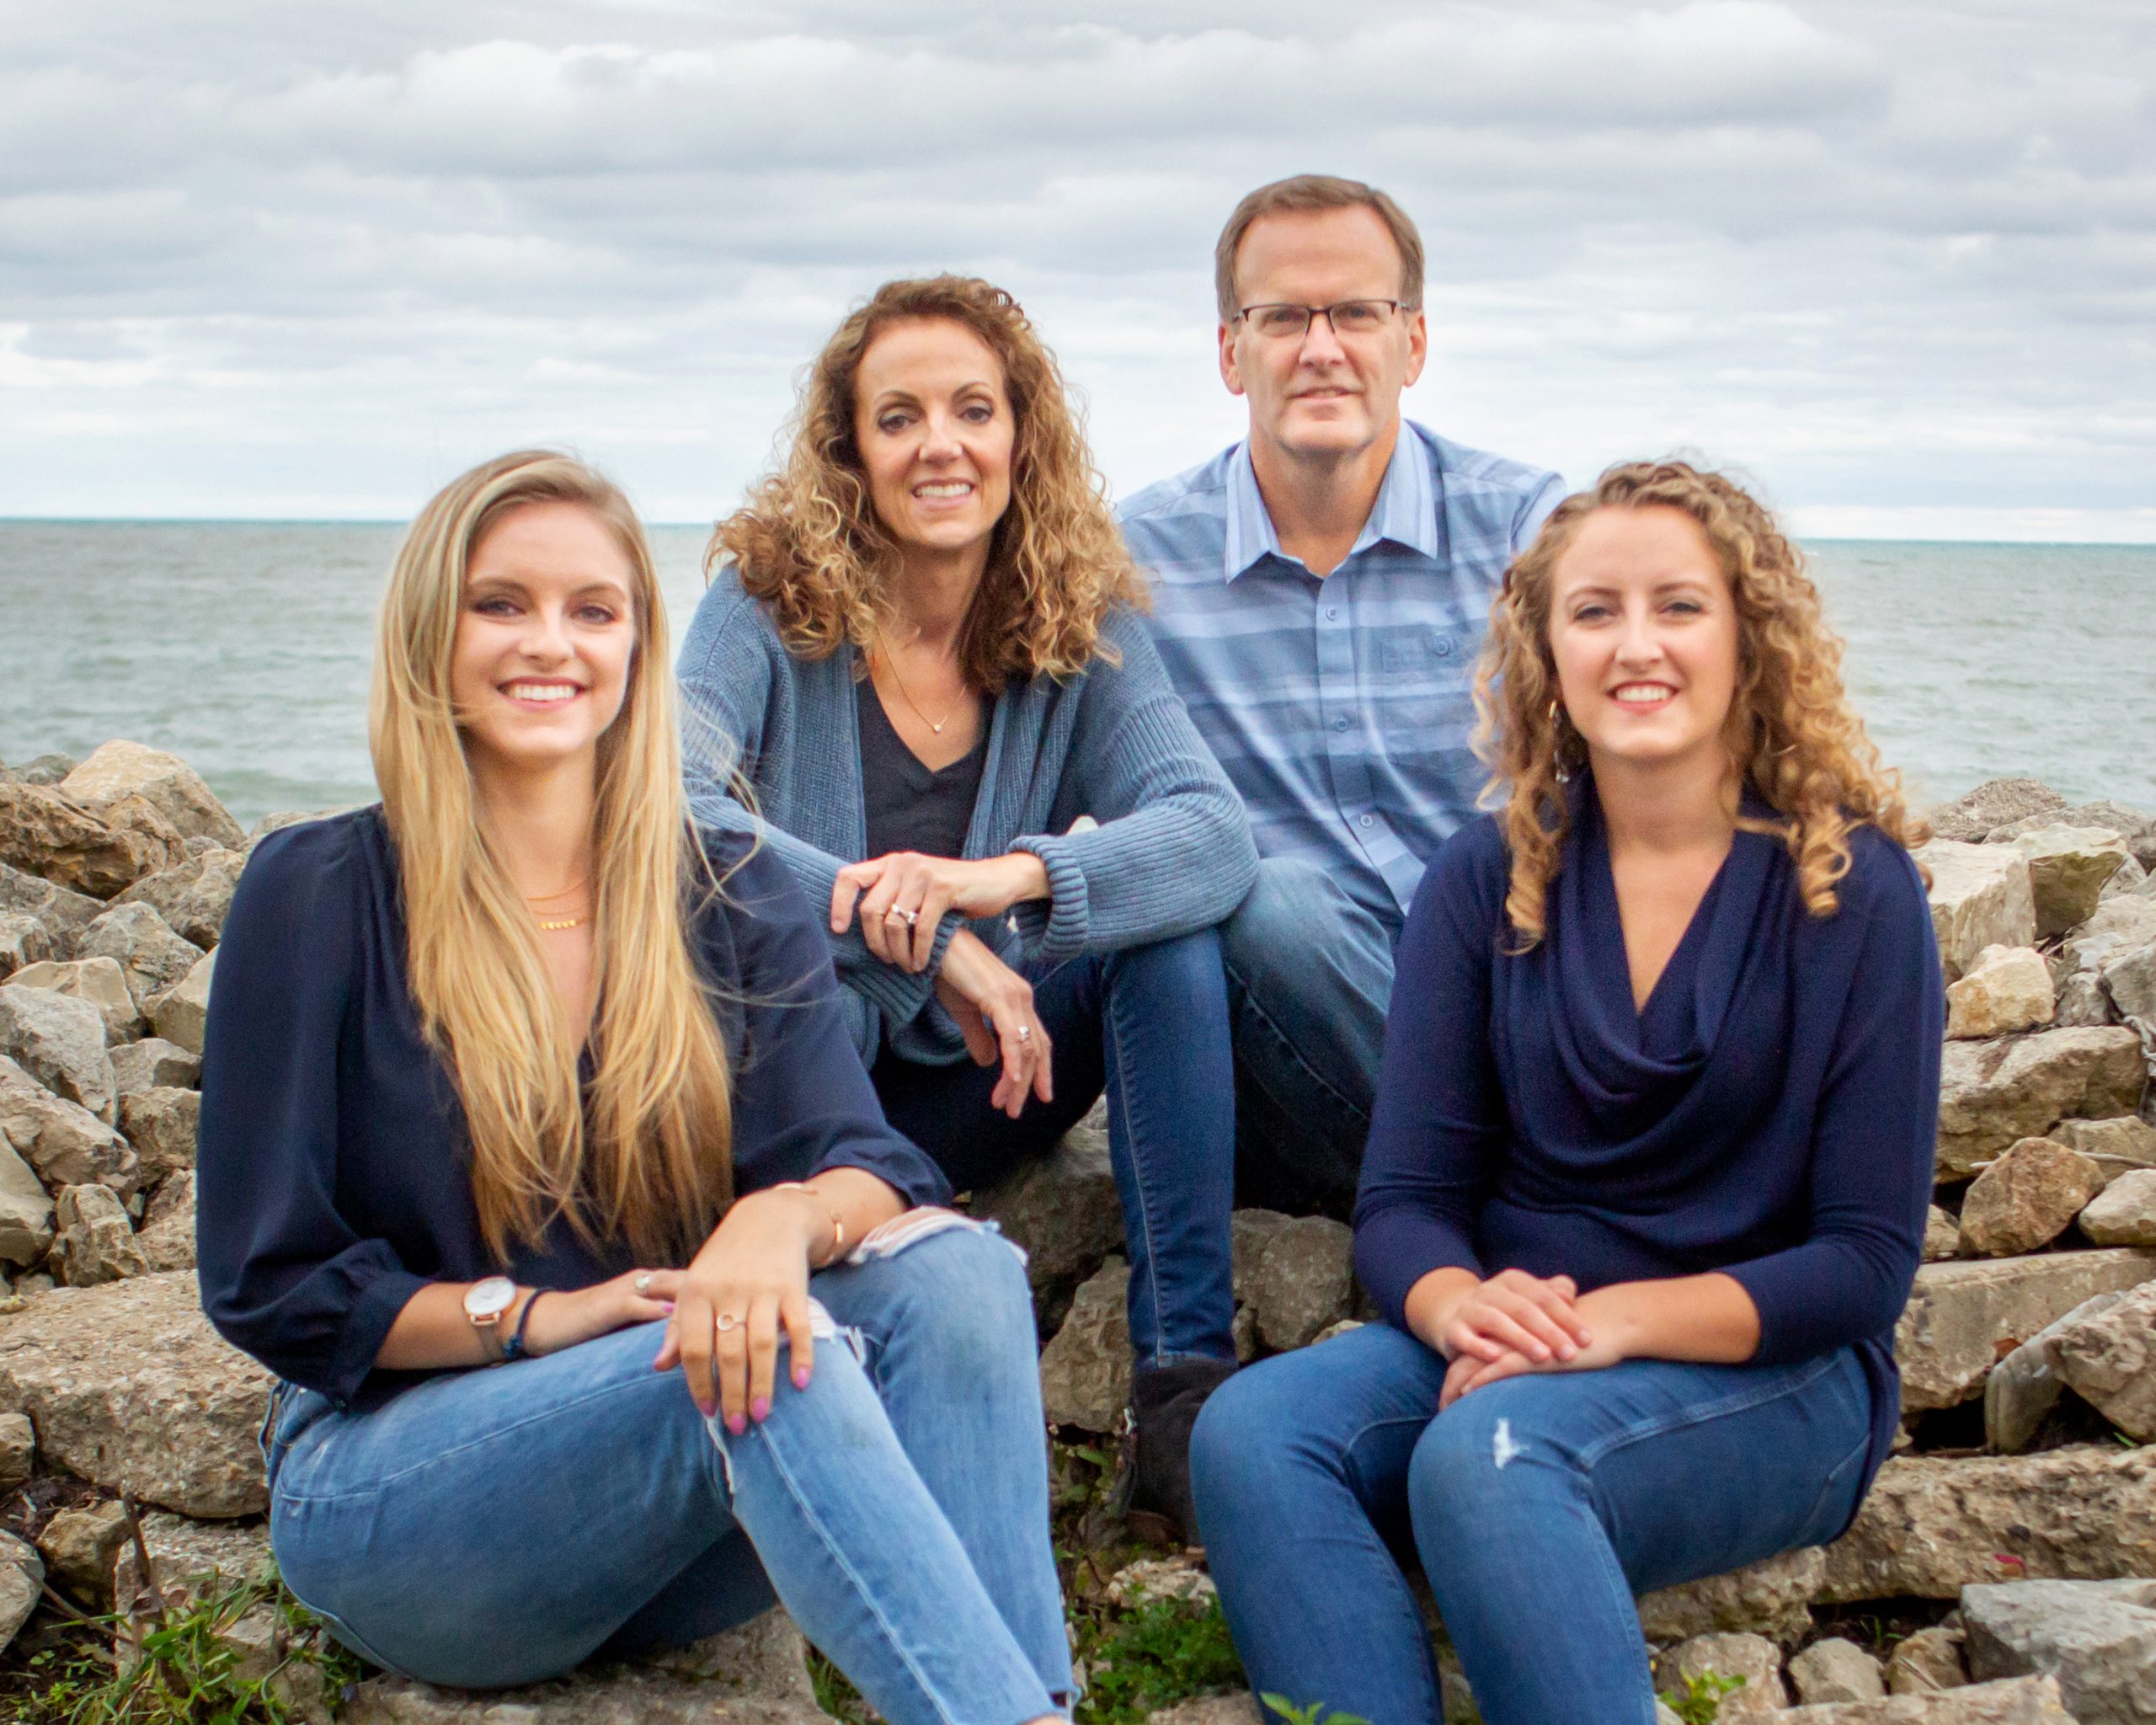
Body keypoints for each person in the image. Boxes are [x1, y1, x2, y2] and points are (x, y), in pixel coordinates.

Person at [196, 451, 1077, 1724]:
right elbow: (266, 1279)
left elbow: (867, 1163)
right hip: (399, 1494)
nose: (549, 643)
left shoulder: (728, 892)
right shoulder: (317, 893)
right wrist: (536, 1320)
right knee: (760, 1361)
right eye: (501, 603)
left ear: (636, 648)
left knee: (957, 1274)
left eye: (593, 610)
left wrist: (777, 1220)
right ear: (431, 631)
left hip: (663, 1515)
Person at [1188, 461, 1944, 1725]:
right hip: (1522, 1342)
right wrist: (1462, 1305)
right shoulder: (1485, 878)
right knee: (1254, 1431)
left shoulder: (1854, 893)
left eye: (1679, 607)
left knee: (1494, 1458)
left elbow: (1862, 1264)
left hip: (1773, 1375)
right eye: (1595, 611)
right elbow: (1406, 1205)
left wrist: (1615, 1325)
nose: (1635, 646)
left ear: (1750, 637)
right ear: (1546, 650)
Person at [678, 276, 1254, 1538]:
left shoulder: (1077, 623)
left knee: (1169, 938)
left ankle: (1181, 1396)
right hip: (784, 1089)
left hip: (972, 1089)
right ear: (850, 450)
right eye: (899, 417)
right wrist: (933, 944)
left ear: (1019, 436)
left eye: (973, 410)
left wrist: (1007, 881)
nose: (940, 444)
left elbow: (1213, 836)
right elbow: (665, 810)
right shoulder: (768, 604)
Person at [1120, 174, 1566, 1209]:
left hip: (1511, 1002)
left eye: (1356, 313)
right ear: (1230, 352)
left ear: (1412, 342)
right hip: (1295, 1046)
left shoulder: (1525, 530)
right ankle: (1520, 1198)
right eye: (1282, 317)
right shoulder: (1136, 562)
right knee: (1268, 902)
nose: (1320, 347)